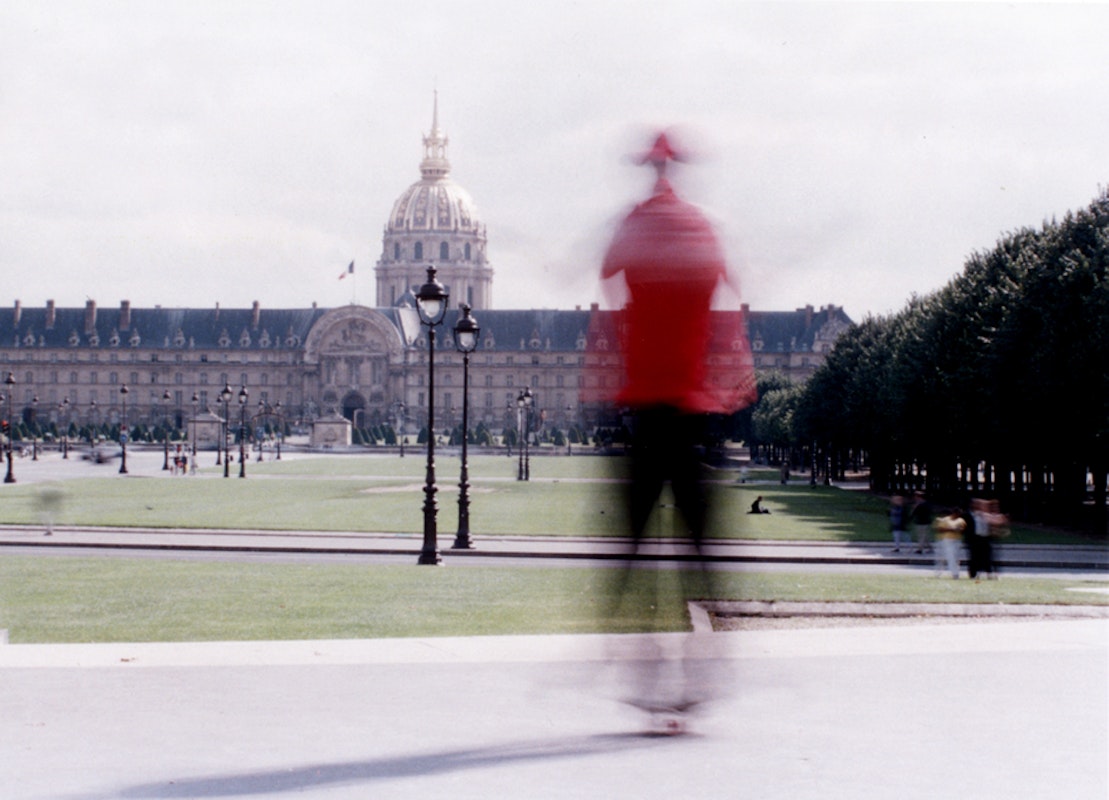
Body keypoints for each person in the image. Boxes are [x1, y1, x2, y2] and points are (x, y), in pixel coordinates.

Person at [594, 130, 756, 726]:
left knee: (630, 548)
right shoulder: (702, 228)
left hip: (645, 407)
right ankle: (705, 663)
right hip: (692, 412)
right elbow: (729, 303)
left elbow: (609, 281)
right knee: (701, 548)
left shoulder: (635, 225)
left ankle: (638, 662)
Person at [933, 507, 966, 578]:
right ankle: (954, 574)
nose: (958, 516)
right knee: (951, 556)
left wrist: (959, 530)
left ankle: (956, 572)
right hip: (948, 540)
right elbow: (939, 529)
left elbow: (963, 529)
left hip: (957, 540)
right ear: (954, 513)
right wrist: (951, 529)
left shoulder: (961, 520)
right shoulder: (945, 520)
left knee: (956, 557)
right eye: (957, 514)